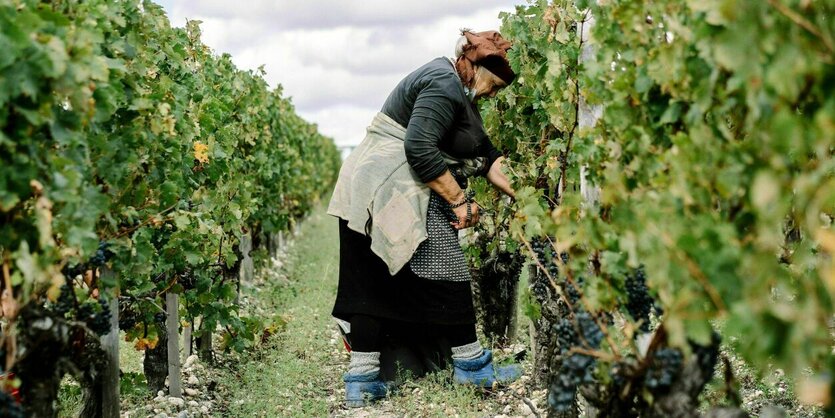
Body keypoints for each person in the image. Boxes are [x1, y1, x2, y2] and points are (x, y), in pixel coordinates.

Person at [327, 29, 519, 407]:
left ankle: (363, 379)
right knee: (440, 267)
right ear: (473, 64)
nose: (493, 95)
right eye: (493, 86)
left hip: (384, 184)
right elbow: (418, 147)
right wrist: (461, 202)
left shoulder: (460, 93)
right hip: (384, 187)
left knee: (376, 278)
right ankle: (471, 366)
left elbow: (488, 156)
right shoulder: (444, 84)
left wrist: (527, 195)